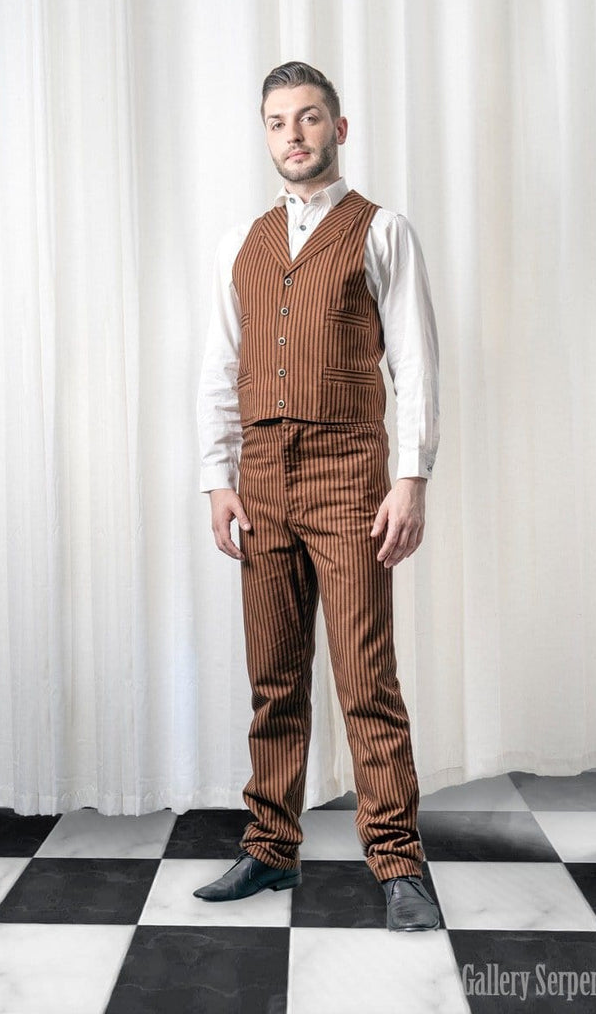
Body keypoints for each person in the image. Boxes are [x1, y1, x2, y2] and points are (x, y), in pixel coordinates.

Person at [194, 62, 440, 932]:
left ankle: (398, 862)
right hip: (260, 476)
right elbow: (220, 368)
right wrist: (217, 479)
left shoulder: (382, 230)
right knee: (273, 678)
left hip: (347, 473)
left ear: (338, 129)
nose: (291, 135)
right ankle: (270, 848)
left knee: (366, 677)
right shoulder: (241, 242)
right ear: (265, 135)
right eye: (276, 121)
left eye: (307, 118)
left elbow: (413, 362)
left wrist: (410, 478)